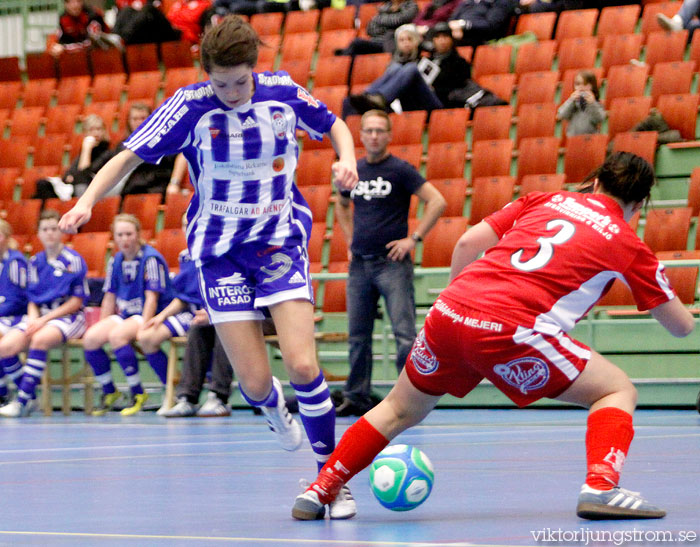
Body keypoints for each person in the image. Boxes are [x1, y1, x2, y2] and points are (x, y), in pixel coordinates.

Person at [59, 15, 359, 519]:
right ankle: (272, 408)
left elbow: (334, 126)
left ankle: (332, 480)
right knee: (257, 384)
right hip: (220, 257)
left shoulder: (282, 94)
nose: (232, 92)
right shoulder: (189, 107)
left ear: (254, 69)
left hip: (278, 244)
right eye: (221, 84)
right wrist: (88, 200)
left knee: (305, 365)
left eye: (240, 82)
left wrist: (346, 159)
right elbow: (125, 159)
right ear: (207, 75)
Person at [292, 152, 695, 521]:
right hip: (514, 326)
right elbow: (680, 327)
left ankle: (319, 489)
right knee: (616, 390)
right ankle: (602, 486)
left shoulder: (543, 199)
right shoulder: (626, 241)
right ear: (639, 206)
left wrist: (457, 306)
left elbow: (467, 242)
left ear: (594, 183)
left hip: (449, 311)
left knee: (398, 408)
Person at [333, 109, 446, 417]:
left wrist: (414, 239)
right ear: (361, 135)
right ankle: (356, 396)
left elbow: (437, 200)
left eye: (379, 131)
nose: (373, 136)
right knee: (357, 336)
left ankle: (410, 400)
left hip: (392, 264)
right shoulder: (353, 170)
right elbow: (342, 204)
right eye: (368, 130)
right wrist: (349, 240)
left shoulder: (400, 170)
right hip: (360, 266)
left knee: (404, 335)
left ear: (389, 135)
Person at [82, 214, 175, 416]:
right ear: (114, 237)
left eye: (129, 234)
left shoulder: (151, 258)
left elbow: (152, 298)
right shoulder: (116, 260)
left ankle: (138, 393)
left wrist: (144, 326)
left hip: (150, 312)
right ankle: (110, 392)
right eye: (120, 235)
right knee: (90, 338)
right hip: (125, 313)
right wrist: (104, 323)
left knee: (117, 336)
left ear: (138, 235)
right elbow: (109, 296)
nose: (124, 239)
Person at [0, 210, 89, 418]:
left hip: (68, 317)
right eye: (45, 229)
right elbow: (31, 299)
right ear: (38, 234)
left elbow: (76, 302)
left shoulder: (73, 260)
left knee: (39, 339)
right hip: (40, 317)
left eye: (53, 229)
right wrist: (33, 319)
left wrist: (44, 320)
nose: (49, 233)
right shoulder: (35, 262)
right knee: (5, 347)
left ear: (61, 232)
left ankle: (21, 402)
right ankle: (30, 396)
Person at [90, 103, 186, 198]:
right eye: (135, 119)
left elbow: (182, 154)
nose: (139, 122)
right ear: (129, 122)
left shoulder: (163, 140)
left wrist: (174, 183)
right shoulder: (123, 145)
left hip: (152, 190)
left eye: (143, 118)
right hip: (127, 192)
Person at [34, 114, 112, 201]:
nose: (96, 133)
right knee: (43, 184)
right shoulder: (85, 151)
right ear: (85, 133)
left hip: (91, 187)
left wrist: (87, 148)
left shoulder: (106, 152)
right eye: (91, 130)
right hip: (75, 186)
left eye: (99, 129)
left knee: (80, 180)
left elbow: (84, 172)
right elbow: (68, 174)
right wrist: (72, 176)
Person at [0, 219, 29, 404]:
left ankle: (23, 391)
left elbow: (21, 299)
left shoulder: (15, 263)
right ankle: (3, 391)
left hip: (19, 316)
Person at [50, 0, 123, 57]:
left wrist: (65, 49)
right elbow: (58, 43)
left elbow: (92, 44)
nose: (75, 5)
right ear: (65, 4)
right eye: (70, 2)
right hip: (78, 58)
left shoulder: (93, 16)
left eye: (78, 1)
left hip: (104, 54)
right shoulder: (63, 19)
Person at [557, 70, 606, 138]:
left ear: (592, 86)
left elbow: (599, 119)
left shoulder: (596, 103)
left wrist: (592, 103)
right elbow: (562, 115)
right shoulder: (573, 102)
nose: (581, 87)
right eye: (578, 84)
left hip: (590, 139)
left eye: (585, 84)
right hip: (573, 139)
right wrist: (571, 100)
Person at [447, 0, 514, 48]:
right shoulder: (469, 2)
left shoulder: (500, 2)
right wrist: (455, 28)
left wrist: (463, 24)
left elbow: (491, 25)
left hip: (482, 40)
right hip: (457, 36)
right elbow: (451, 20)